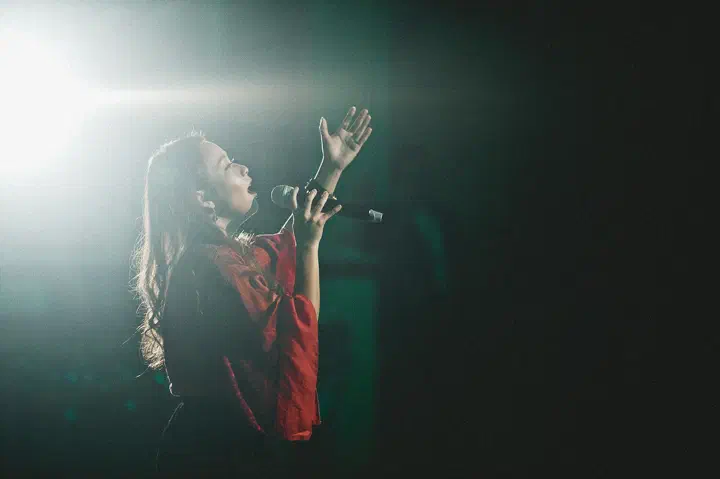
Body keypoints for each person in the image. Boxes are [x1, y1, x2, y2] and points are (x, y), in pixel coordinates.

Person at [131, 107, 372, 476]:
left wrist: (332, 168)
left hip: (216, 440)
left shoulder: (222, 257)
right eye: (228, 165)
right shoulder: (214, 265)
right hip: (217, 451)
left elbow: (284, 247)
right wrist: (310, 247)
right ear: (202, 197)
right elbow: (296, 324)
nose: (244, 168)